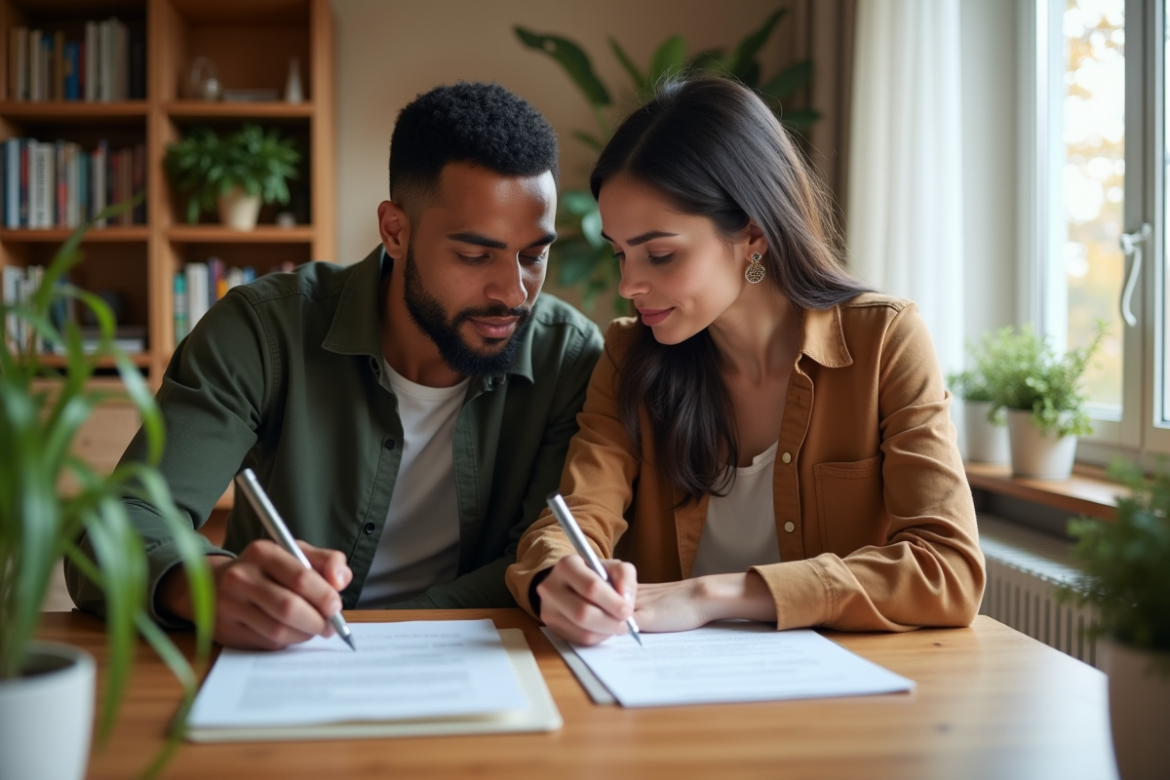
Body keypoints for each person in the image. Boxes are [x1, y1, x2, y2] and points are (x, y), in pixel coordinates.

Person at [66, 82, 603, 650]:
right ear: (396, 231)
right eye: (475, 255)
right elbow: (116, 527)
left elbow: (537, 555)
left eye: (534, 255)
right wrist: (204, 582)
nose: (514, 293)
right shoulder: (262, 330)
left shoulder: (566, 359)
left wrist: (382, 635)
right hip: (278, 664)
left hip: (476, 661)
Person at [506, 78, 985, 645]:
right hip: (660, 698)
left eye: (660, 254)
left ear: (753, 232)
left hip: (847, 700)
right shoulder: (629, 355)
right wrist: (554, 579)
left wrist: (711, 595)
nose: (629, 284)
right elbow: (578, 515)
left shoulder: (884, 341)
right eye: (621, 253)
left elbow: (948, 570)